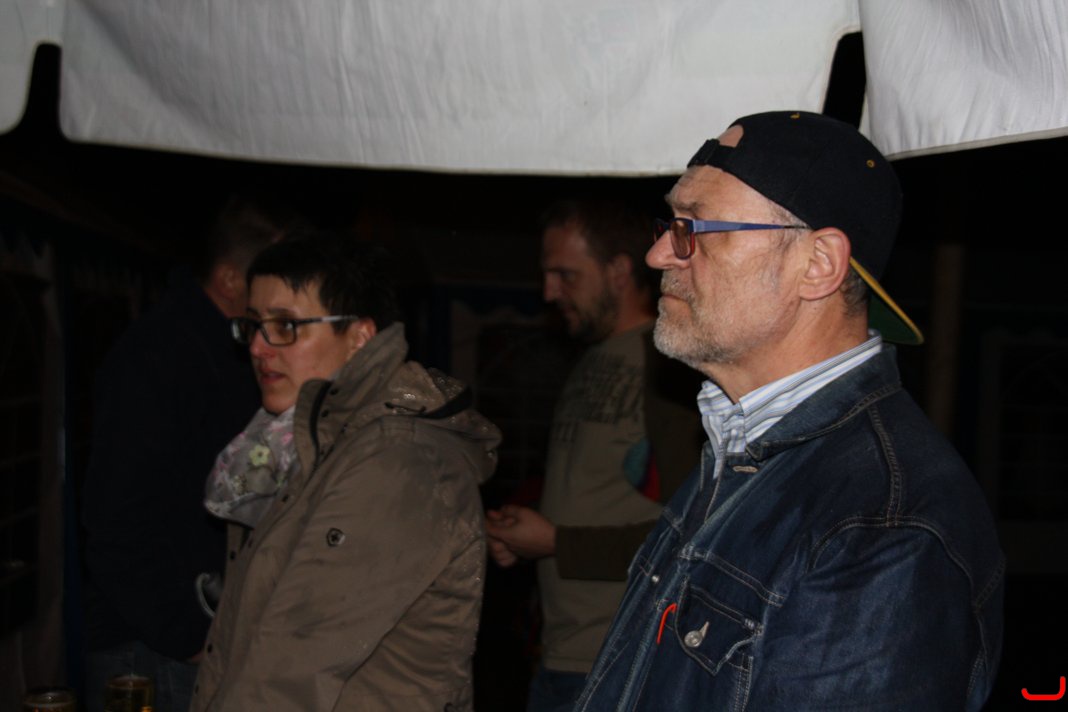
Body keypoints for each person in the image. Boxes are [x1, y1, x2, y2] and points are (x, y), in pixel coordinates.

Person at [573, 111, 1005, 711]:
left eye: (692, 227)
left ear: (818, 264)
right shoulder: (739, 446)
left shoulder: (882, 525)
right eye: (668, 224)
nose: (657, 254)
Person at [190, 232, 501, 711]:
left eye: (285, 326)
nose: (258, 348)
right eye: (253, 325)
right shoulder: (310, 443)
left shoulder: (395, 463)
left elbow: (288, 675)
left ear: (359, 337)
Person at [485, 200, 703, 711]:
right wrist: (527, 535)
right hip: (562, 655)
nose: (548, 292)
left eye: (566, 275)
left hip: (624, 661)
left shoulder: (666, 364)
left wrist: (555, 541)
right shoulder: (590, 359)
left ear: (619, 271)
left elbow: (691, 530)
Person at [81, 196, 291, 712]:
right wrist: (189, 634)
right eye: (273, 274)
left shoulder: (228, 351)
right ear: (229, 279)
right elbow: (115, 516)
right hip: (152, 646)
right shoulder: (158, 356)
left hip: (193, 633)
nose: (286, 290)